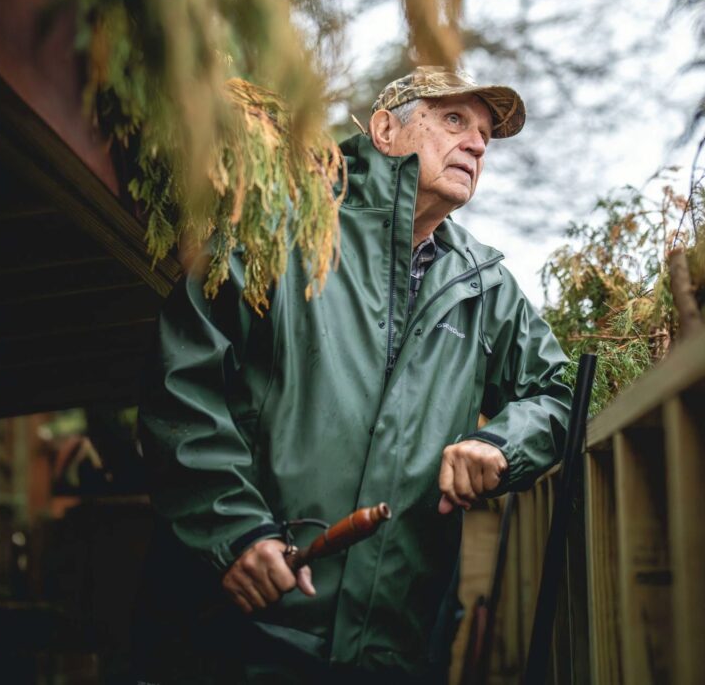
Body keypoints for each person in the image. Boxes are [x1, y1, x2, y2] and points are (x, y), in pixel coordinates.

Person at [135, 66, 571, 682]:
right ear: (386, 128)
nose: (476, 144)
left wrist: (500, 445)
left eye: (484, 136)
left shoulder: (485, 285)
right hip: (235, 634)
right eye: (453, 120)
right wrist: (233, 531)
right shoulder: (280, 229)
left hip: (395, 650)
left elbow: (554, 394)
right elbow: (181, 383)